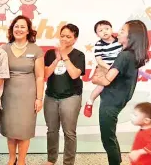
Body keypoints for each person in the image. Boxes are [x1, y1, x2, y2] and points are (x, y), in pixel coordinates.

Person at [92, 20, 149, 165]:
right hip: (116, 101)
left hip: (111, 103)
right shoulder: (131, 55)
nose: (119, 32)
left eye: (123, 31)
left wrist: (96, 79)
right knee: (110, 138)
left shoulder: (124, 55)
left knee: (108, 140)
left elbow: (106, 81)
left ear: (131, 37)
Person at [0, 15, 44, 165]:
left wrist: (39, 98)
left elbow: (39, 76)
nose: (19, 29)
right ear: (12, 29)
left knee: (24, 130)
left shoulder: (35, 49)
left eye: (22, 26)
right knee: (10, 128)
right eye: (16, 26)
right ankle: (12, 158)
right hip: (8, 95)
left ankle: (22, 160)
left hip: (28, 96)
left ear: (28, 30)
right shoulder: (3, 49)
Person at [44, 24, 85, 165]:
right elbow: (45, 74)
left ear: (75, 39)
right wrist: (56, 59)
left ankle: (68, 162)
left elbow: (74, 75)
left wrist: (65, 56)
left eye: (69, 36)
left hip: (71, 96)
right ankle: (51, 159)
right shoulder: (50, 53)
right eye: (62, 36)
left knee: (69, 132)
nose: (64, 39)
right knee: (51, 130)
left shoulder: (79, 55)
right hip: (51, 96)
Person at [84, 20, 123, 117]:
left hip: (118, 67)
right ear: (97, 34)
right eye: (100, 30)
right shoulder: (99, 44)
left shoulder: (119, 41)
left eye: (107, 29)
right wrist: (108, 68)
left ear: (111, 29)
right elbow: (99, 59)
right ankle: (90, 102)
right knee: (101, 86)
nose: (104, 31)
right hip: (105, 67)